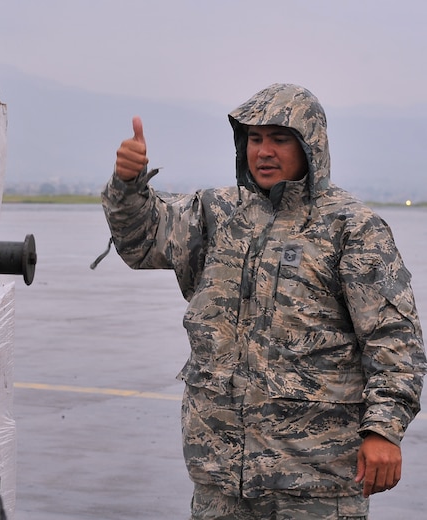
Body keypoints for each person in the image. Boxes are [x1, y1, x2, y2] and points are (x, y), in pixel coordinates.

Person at [101, 83, 426, 519]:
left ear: (310, 144)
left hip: (314, 482)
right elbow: (140, 240)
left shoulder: (350, 227)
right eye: (254, 139)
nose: (264, 151)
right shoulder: (216, 212)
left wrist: (384, 430)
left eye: (279, 138)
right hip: (220, 480)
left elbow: (395, 340)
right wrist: (128, 184)